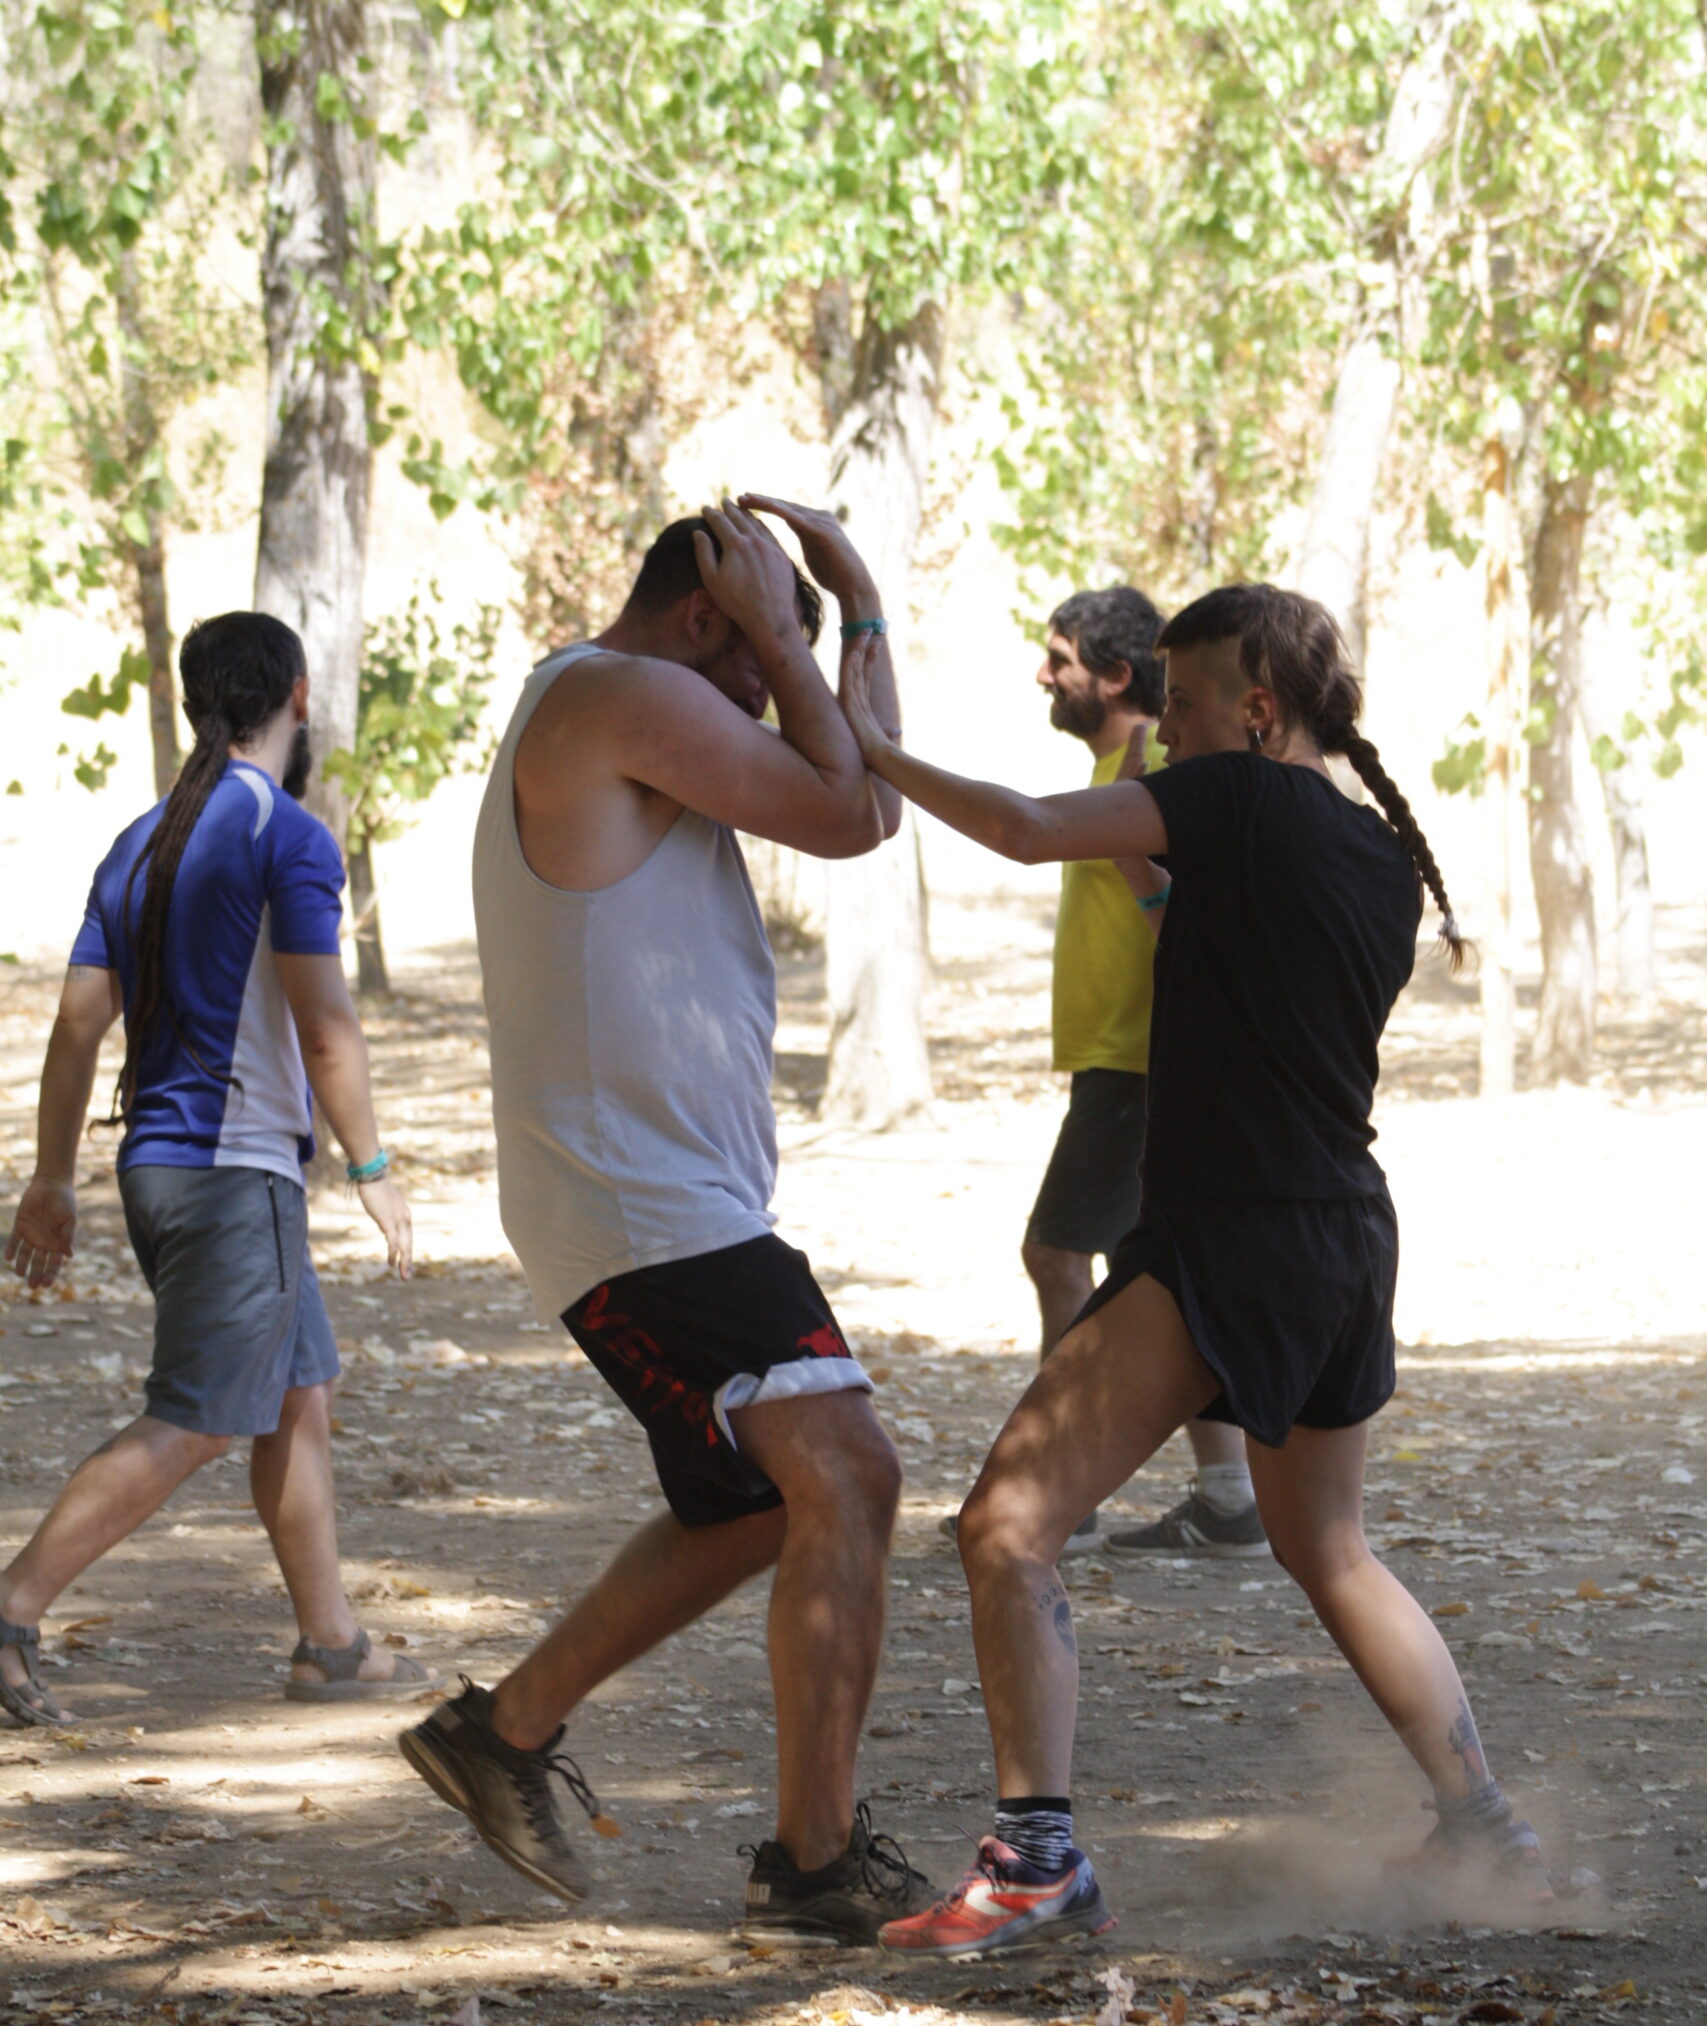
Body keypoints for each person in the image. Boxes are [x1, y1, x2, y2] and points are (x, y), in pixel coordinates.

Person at [836, 581, 1545, 1954]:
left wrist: (871, 749)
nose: (1159, 736)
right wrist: (1147, 871)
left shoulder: (1236, 795)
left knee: (1005, 1526)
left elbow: (1022, 827)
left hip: (1233, 1234)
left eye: (1183, 704)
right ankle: (1485, 1827)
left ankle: (1035, 1864)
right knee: (1326, 1547)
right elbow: (1214, 960)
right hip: (1343, 1234)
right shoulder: (1375, 855)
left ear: (1257, 711)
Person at [397, 497, 933, 1946]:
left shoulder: (645, 704)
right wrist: (792, 630)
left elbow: (869, 794)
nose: (768, 702)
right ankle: (813, 1864)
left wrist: (857, 608)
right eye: (756, 662)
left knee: (756, 1503)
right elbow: (845, 811)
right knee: (851, 1472)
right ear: (704, 615)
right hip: (641, 1201)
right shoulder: (616, 695)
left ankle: (502, 1731)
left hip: (659, 1197)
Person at [0, 612, 428, 1730]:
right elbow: (325, 1025)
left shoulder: (140, 840)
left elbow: (77, 1027)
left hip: (161, 1172)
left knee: (298, 1393)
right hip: (236, 1178)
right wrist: (372, 1164)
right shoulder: (287, 835)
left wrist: (54, 1177)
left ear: (196, 702)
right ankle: (10, 1608)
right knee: (196, 1419)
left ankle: (331, 1645)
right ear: (298, 695)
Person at [1019, 586, 1264, 1559]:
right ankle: (1228, 1499)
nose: (1044, 674)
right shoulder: (1122, 770)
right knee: (1164, 1275)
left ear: (1116, 674)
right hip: (1124, 1062)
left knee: (1055, 1255)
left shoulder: (1155, 772)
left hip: (1140, 1062)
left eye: (1060, 658)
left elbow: (1195, 909)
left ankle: (1061, 1495)